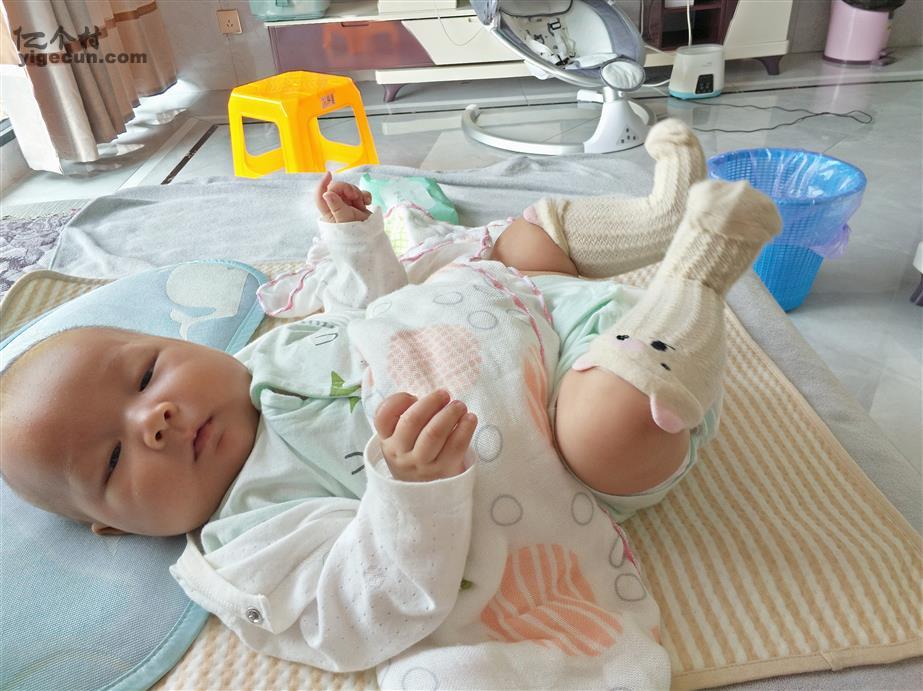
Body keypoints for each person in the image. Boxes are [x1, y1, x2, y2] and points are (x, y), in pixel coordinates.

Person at [0, 119, 780, 688]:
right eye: (112, 457)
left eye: (145, 377)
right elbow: (357, 607)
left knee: (522, 242)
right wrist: (411, 495)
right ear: (114, 525)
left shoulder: (260, 361)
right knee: (608, 432)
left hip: (522, 306)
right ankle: (694, 276)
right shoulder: (248, 538)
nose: (155, 420)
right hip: (592, 395)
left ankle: (658, 219)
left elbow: (367, 314)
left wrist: (354, 242)